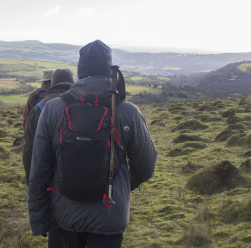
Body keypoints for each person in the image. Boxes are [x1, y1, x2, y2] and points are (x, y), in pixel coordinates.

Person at [28, 40, 157, 247]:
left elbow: (39, 171)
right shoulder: (128, 112)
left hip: (64, 217)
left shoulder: (52, 110)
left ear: (80, 72)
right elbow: (147, 166)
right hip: (110, 215)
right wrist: (117, 183)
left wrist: (39, 220)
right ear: (110, 70)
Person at [22, 68, 76, 247]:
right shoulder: (86, 102)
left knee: (57, 230)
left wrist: (34, 188)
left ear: (51, 84)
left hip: (51, 183)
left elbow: (30, 153)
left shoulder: (39, 107)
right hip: (84, 180)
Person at [22, 68, 76, 184]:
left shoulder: (38, 102)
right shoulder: (85, 103)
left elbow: (30, 147)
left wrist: (31, 180)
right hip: (77, 176)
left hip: (47, 171)